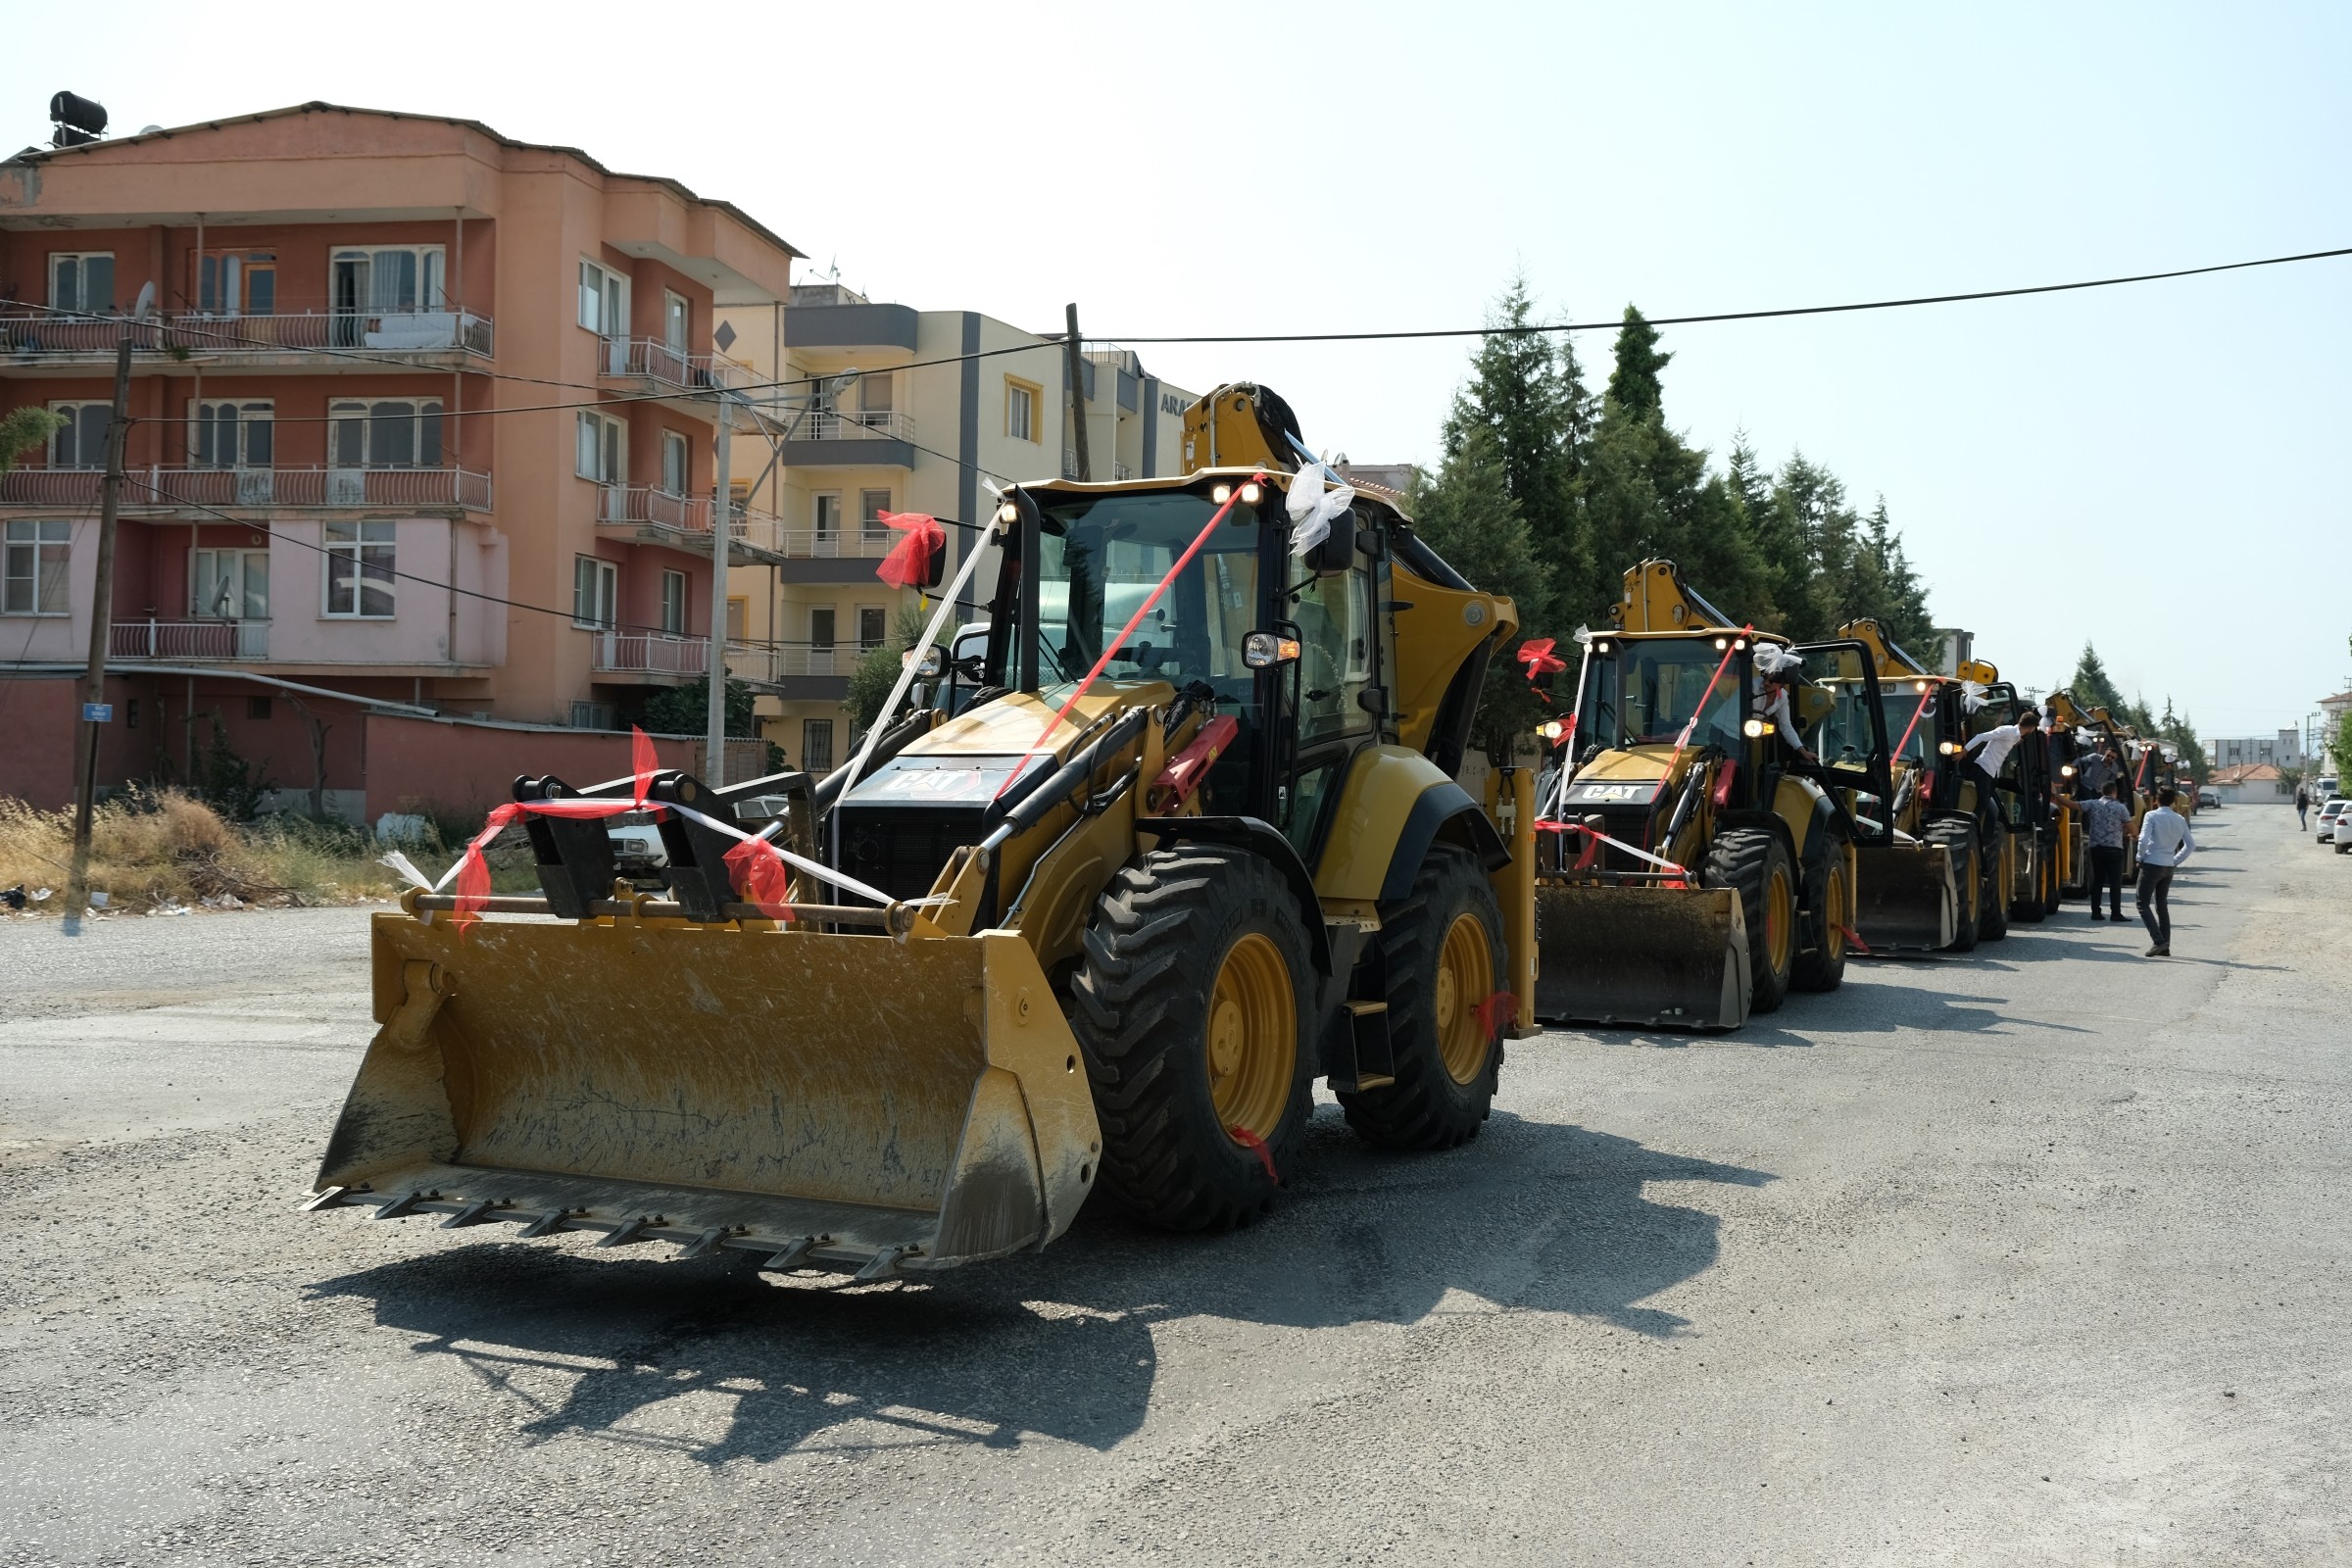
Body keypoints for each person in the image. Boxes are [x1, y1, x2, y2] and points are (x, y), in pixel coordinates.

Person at [2134, 786, 2195, 956]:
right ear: (2174, 801)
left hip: (2152, 863)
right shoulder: (2179, 819)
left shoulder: (2151, 815)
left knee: (2142, 903)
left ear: (2156, 800)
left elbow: (2143, 839)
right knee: (2161, 905)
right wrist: (2175, 860)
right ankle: (2165, 946)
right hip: (2168, 866)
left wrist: (2140, 857)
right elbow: (2191, 845)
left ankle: (2159, 941)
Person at [2071, 779, 2132, 919]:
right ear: (2114, 792)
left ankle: (2096, 912)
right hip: (2114, 850)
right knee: (2115, 883)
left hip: (2096, 849)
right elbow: (2132, 828)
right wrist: (2134, 834)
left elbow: (2073, 805)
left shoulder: (2093, 804)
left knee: (2098, 880)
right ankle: (2115, 913)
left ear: (2102, 792)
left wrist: (2056, 797)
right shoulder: (2120, 808)